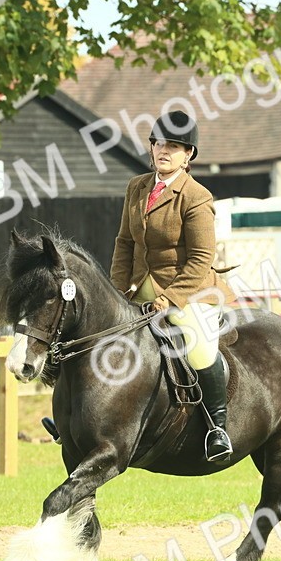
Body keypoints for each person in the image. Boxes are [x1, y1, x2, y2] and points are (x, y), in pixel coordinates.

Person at [110, 111, 237, 462]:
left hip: (188, 289)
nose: (163, 151)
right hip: (140, 286)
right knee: (99, 330)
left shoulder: (196, 196)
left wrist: (170, 299)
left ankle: (217, 427)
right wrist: (117, 292)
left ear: (188, 154)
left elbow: (199, 258)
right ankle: (76, 416)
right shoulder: (136, 187)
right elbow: (124, 243)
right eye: (159, 143)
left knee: (197, 346)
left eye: (174, 146)